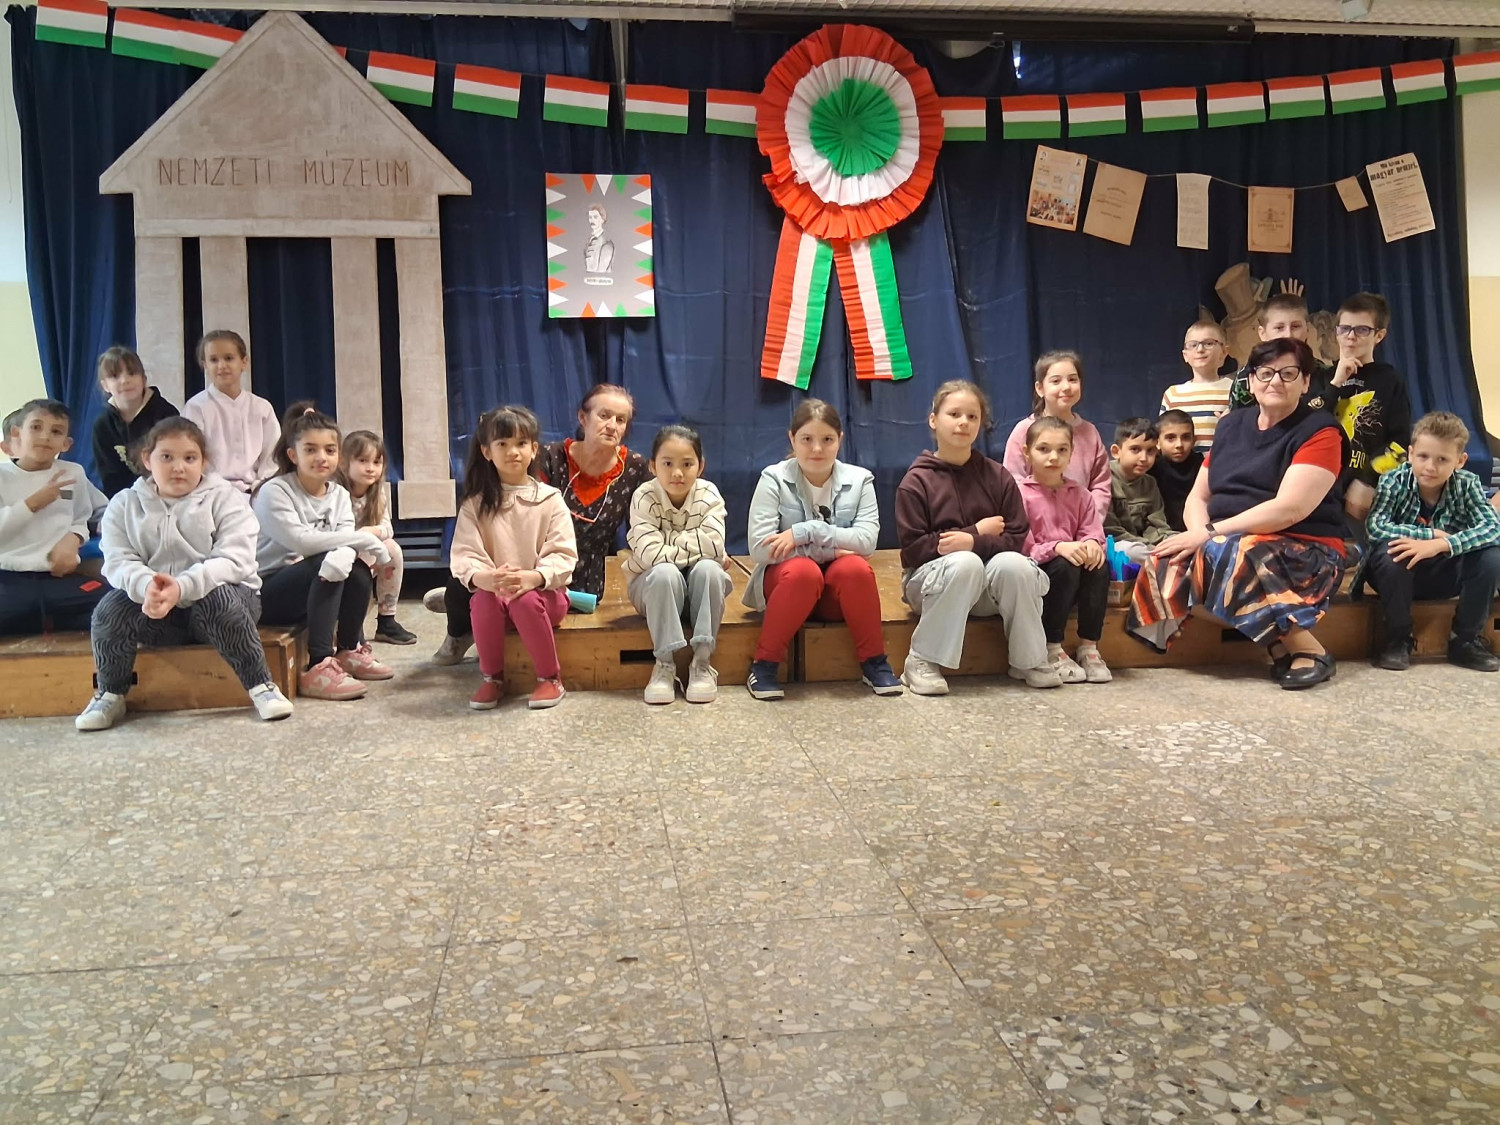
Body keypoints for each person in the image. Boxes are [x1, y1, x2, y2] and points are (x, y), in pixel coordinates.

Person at [1129, 338, 1347, 690]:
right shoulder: (1230, 425)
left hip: (1304, 549)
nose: (1275, 381)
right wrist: (1199, 537)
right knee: (1165, 559)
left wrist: (1211, 535)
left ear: (1306, 382)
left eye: (1288, 373)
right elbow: (1198, 496)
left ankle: (1310, 650)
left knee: (1236, 551)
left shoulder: (1321, 431)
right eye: (1265, 373)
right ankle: (1274, 641)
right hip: (1230, 542)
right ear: (1251, 380)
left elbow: (1290, 509)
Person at [75, 418, 294, 730]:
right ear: (147, 459)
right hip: (158, 611)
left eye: (190, 458)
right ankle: (110, 693)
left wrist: (183, 586)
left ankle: (261, 686)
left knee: (216, 595)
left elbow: (234, 559)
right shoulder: (124, 504)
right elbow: (117, 560)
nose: (178, 467)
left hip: (226, 607)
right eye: (166, 457)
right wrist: (148, 586)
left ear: (203, 462)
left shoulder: (227, 498)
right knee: (109, 609)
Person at [425, 383, 648, 664]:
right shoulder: (549, 456)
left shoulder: (635, 467)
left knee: (524, 600)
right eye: (604, 416)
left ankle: (469, 609)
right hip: (526, 559)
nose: (612, 425)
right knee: (465, 581)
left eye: (621, 419)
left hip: (580, 574)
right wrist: (508, 574)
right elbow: (516, 517)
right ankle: (459, 625)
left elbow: (644, 522)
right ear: (583, 418)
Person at [896, 381, 1056, 695]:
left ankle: (1029, 660)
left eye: (972, 416)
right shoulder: (916, 481)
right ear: (934, 420)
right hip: (930, 587)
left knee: (1015, 565)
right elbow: (914, 551)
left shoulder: (998, 476)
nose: (963, 422)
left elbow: (1016, 537)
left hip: (987, 590)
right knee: (965, 563)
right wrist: (976, 532)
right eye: (954, 414)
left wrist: (972, 541)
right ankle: (921, 661)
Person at [744, 398, 901, 700]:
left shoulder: (860, 480)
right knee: (804, 572)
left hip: (833, 595)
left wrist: (806, 532)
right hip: (786, 587)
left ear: (840, 439)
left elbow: (867, 542)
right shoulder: (773, 478)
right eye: (807, 439)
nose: (817, 449)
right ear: (792, 439)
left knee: (855, 568)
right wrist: (830, 550)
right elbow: (761, 550)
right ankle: (764, 666)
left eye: (827, 439)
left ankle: (874, 662)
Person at [254, 403, 392, 701]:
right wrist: (363, 540)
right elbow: (302, 542)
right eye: (311, 450)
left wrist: (352, 547)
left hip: (314, 585)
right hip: (266, 592)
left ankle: (348, 650)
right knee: (327, 563)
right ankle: (318, 664)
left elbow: (344, 543)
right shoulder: (274, 492)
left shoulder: (339, 494)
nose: (321, 457)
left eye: (330, 450)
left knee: (355, 569)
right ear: (293, 455)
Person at [450, 405, 578, 711]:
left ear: (534, 449)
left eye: (521, 443)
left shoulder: (550, 499)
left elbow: (563, 554)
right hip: (498, 598)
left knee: (524, 600)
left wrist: (533, 578)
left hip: (545, 598)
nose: (512, 452)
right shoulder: (474, 505)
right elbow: (465, 554)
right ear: (487, 451)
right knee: (482, 599)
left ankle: (550, 678)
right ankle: (492, 678)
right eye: (502, 444)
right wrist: (487, 578)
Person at [1365, 412, 1500, 672]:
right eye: (1423, 456)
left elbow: (1493, 528)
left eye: (1442, 459)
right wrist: (1431, 535)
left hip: (1446, 573)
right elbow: (1375, 527)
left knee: (1492, 556)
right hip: (1398, 575)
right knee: (1391, 552)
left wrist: (1443, 545)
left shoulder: (1467, 484)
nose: (1430, 467)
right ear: (1411, 454)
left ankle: (1465, 640)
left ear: (1460, 461)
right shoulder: (1393, 480)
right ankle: (1398, 639)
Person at [624, 424, 732, 705]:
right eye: (667, 463)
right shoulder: (644, 497)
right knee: (664, 573)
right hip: (651, 589)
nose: (677, 473)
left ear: (701, 466)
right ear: (652, 465)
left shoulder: (709, 494)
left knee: (710, 570)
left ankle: (702, 663)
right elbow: (649, 555)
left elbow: (714, 545)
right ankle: (664, 665)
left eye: (687, 464)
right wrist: (698, 545)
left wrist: (668, 541)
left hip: (698, 591)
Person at [0, 399, 109, 635]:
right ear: (17, 433)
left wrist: (75, 537)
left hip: (58, 578)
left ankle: (44, 620)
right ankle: (42, 620)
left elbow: (81, 517)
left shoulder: (72, 472)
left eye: (56, 431)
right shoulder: (2, 476)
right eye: (36, 427)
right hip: (9, 578)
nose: (45, 437)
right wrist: (32, 504)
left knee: (114, 607)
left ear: (66, 444)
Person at [1018, 416, 1112, 683]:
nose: (1053, 457)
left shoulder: (1081, 495)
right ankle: (1052, 646)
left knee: (1098, 565)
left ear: (1072, 453)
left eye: (1062, 450)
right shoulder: (1019, 494)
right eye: (1043, 449)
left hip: (1073, 569)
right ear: (1027, 452)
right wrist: (1058, 547)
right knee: (1065, 565)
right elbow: (1023, 547)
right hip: (1040, 571)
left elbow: (1093, 532)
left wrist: (1092, 544)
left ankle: (1089, 648)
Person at [1330, 292, 1412, 523]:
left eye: (1362, 330)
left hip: (1365, 490)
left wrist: (1368, 480)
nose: (1351, 336)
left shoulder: (1390, 380)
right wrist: (1336, 383)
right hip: (1321, 484)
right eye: (1344, 328)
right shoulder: (1323, 377)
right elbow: (1306, 425)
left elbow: (1400, 443)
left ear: (1379, 335)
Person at [1003, 350, 1110, 521]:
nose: (1066, 387)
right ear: (1040, 388)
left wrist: (1089, 522)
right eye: (1056, 381)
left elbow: (1100, 485)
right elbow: (1013, 480)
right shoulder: (1024, 430)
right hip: (1037, 525)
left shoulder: (1090, 432)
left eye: (1073, 379)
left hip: (1083, 525)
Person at [338, 430, 415, 645]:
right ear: (344, 462)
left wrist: (369, 533)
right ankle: (350, 627)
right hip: (340, 552)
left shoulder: (377, 493)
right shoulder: (335, 492)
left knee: (392, 549)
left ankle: (387, 621)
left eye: (376, 462)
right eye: (362, 461)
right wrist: (357, 538)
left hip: (363, 549)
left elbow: (387, 528)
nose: (371, 468)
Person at [181, 330, 279, 494]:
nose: (221, 366)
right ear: (205, 365)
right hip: (210, 492)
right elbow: (189, 454)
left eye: (228, 358)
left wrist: (261, 487)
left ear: (244, 362)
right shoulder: (196, 407)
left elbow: (272, 455)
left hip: (255, 491)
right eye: (214, 360)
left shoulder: (262, 407)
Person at [90, 346, 179, 499]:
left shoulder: (166, 414)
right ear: (105, 385)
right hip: (126, 499)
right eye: (115, 376)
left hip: (166, 495)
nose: (125, 380)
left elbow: (175, 463)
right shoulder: (102, 426)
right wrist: (127, 503)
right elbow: (110, 477)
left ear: (144, 379)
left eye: (132, 373)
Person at [1229, 292, 1337, 412]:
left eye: (1295, 326)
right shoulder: (1249, 376)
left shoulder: (1322, 373)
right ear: (1262, 333)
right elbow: (1238, 420)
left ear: (1307, 329)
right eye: (1279, 328)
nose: (1288, 335)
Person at [1158, 319, 1232, 452]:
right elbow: (1163, 436)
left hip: (1222, 461)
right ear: (1185, 355)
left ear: (1224, 352)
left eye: (1208, 343)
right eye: (1193, 345)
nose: (1200, 349)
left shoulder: (1234, 390)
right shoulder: (1173, 394)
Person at [1105, 417, 1172, 564]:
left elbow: (1157, 524)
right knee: (1134, 552)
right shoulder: (1104, 479)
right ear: (1116, 452)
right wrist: (1150, 548)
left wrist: (1170, 542)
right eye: (1135, 449)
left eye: (1150, 451)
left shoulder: (1150, 483)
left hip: (1144, 545)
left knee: (1182, 544)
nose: (1144, 458)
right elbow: (1111, 531)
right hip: (1115, 545)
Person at [1148, 409, 1203, 533]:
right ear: (1157, 442)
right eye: (1170, 438)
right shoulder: (1150, 467)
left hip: (1197, 531)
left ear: (1194, 440)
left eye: (1186, 437)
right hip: (1160, 532)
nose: (1179, 445)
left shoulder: (1202, 466)